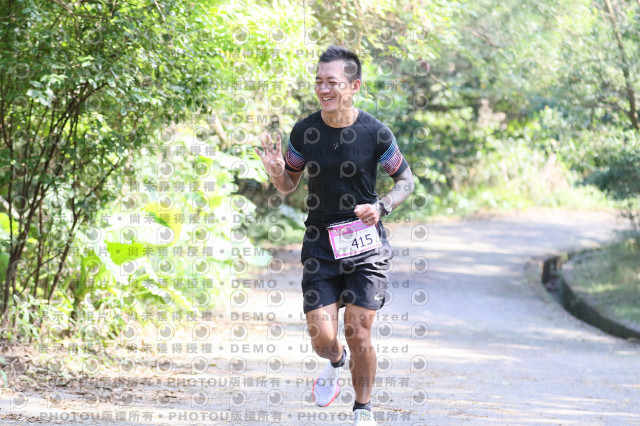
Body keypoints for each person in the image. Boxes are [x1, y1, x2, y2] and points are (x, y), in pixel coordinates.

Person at [255, 45, 414, 426]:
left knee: (358, 331)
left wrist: (382, 207)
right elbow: (288, 185)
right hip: (320, 245)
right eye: (318, 82)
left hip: (366, 244)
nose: (323, 89)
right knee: (322, 339)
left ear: (354, 86)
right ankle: (336, 361)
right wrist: (276, 171)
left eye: (332, 82)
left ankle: (363, 410)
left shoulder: (376, 133)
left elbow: (406, 181)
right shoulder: (305, 131)